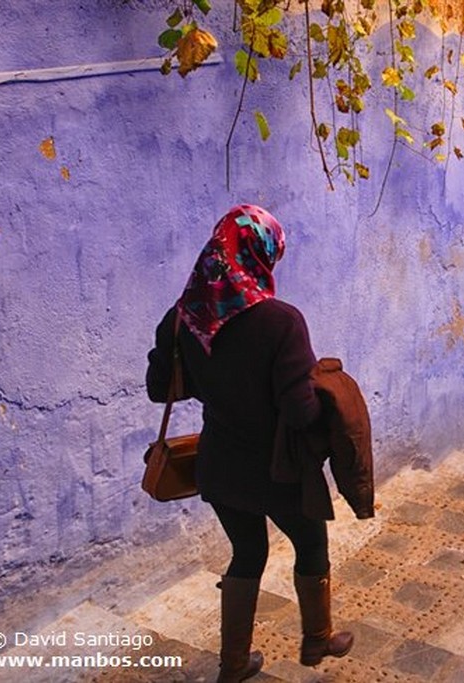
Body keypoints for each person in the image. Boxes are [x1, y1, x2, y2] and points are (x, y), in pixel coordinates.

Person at [146, 205, 355, 682]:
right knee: (310, 541)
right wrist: (328, 392)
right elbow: (300, 411)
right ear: (261, 254)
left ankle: (235, 664)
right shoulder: (282, 322)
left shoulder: (183, 318)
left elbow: (162, 389)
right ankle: (318, 639)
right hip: (279, 468)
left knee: (247, 552)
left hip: (218, 465)